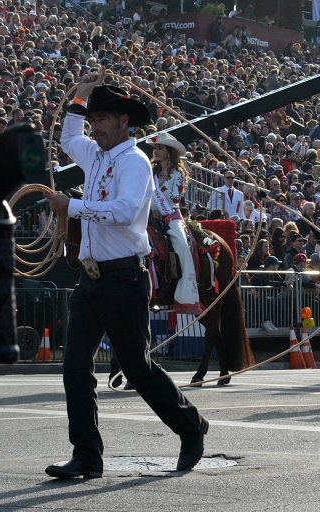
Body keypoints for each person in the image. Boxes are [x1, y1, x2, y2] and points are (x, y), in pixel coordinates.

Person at [43, 73, 208, 479]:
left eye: (101, 119)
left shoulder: (134, 162)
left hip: (123, 279)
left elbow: (124, 211)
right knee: (75, 366)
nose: (93, 127)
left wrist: (73, 206)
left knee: (138, 367)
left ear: (123, 121)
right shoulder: (96, 155)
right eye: (92, 119)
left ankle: (191, 426)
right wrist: (79, 95)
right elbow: (67, 139)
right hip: (92, 279)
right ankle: (87, 455)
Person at [147, 132, 203, 314]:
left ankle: (186, 295)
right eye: (155, 148)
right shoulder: (150, 170)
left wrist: (156, 199)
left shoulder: (178, 172)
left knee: (181, 246)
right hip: (148, 215)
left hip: (169, 216)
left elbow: (174, 198)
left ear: (169, 151)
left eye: (160, 148)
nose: (156, 151)